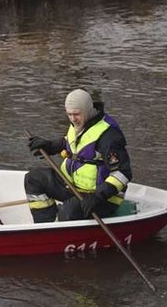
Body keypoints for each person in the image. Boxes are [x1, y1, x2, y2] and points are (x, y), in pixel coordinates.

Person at [23, 88, 132, 223]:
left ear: (87, 110)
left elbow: (123, 173)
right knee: (33, 178)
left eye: (76, 114)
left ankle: (60, 230)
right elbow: (71, 143)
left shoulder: (109, 136)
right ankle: (44, 225)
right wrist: (49, 146)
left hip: (101, 197)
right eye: (69, 114)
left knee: (68, 211)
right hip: (72, 186)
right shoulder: (80, 123)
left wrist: (97, 197)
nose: (73, 119)